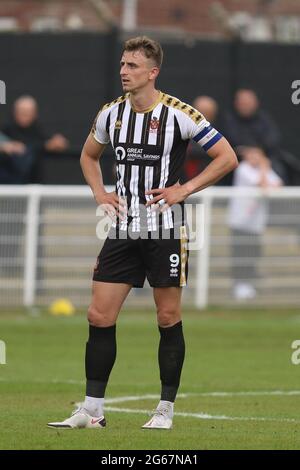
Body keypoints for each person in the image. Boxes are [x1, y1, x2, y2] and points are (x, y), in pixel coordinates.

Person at [47, 36, 237, 430]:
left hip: (166, 230)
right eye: (122, 64)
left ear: (153, 72)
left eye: (132, 66)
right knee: (99, 315)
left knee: (167, 317)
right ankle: (92, 410)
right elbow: (88, 155)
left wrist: (184, 189)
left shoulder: (179, 114)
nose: (123, 71)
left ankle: (164, 410)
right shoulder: (111, 114)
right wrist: (100, 192)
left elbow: (227, 157)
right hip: (122, 229)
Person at [227, 146, 282, 300]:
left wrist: (264, 169)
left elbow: (277, 185)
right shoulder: (243, 169)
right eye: (251, 154)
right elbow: (262, 185)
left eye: (258, 154)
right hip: (240, 222)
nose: (254, 157)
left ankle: (248, 284)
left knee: (254, 253)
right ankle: (239, 285)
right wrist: (265, 167)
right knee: (240, 254)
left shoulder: (262, 170)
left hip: (256, 224)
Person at [2, 95, 69, 182]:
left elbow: (45, 142)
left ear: (35, 113)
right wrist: (4, 146)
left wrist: (55, 143)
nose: (25, 115)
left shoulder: (37, 130)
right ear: (15, 112)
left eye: (28, 112)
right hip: (8, 186)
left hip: (34, 184)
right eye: (22, 111)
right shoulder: (5, 130)